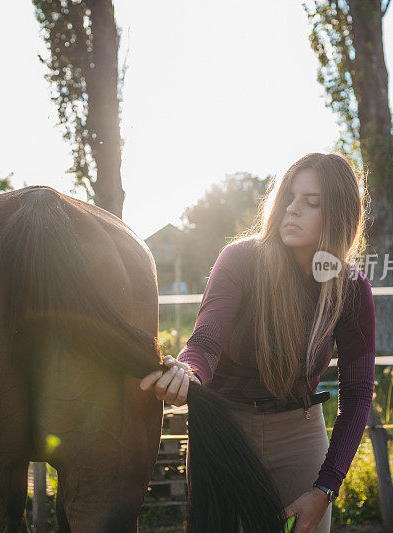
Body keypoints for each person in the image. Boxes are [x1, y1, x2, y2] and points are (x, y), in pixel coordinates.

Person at [140, 152, 376, 533]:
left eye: (310, 202)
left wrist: (326, 487)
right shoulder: (240, 259)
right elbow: (206, 339)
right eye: (289, 197)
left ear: (340, 215)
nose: (292, 210)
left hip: (300, 433)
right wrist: (189, 370)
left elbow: (358, 392)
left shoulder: (350, 287)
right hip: (223, 426)